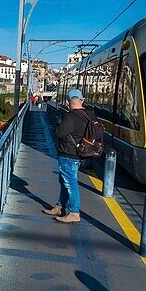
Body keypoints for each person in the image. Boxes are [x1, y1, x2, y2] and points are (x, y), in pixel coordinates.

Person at [43, 89, 97, 223]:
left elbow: (58, 133)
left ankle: (74, 212)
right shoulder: (89, 115)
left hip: (69, 153)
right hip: (78, 153)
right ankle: (60, 206)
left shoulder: (71, 117)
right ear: (82, 101)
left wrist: (59, 123)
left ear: (68, 102)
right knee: (64, 181)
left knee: (70, 182)